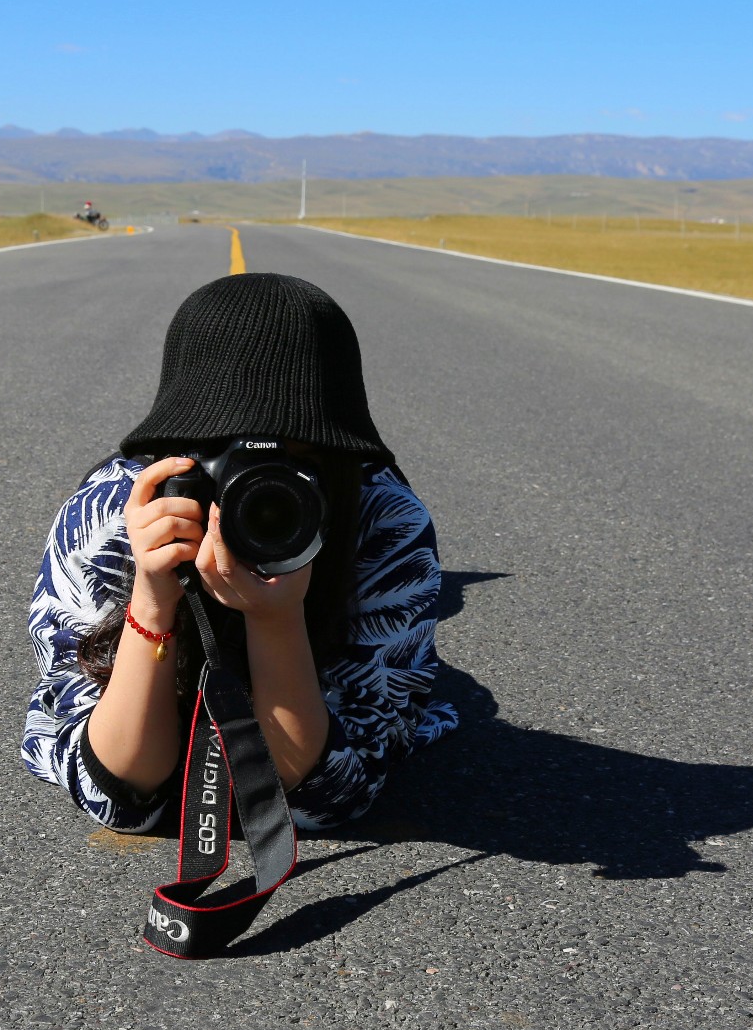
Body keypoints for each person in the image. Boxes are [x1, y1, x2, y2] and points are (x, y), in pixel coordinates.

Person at [23, 272, 457, 833]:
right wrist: (152, 604)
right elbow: (117, 790)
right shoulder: (115, 516)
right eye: (217, 450)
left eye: (301, 458)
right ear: (175, 451)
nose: (259, 493)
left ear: (344, 461)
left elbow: (324, 795)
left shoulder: (381, 520)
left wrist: (277, 619)